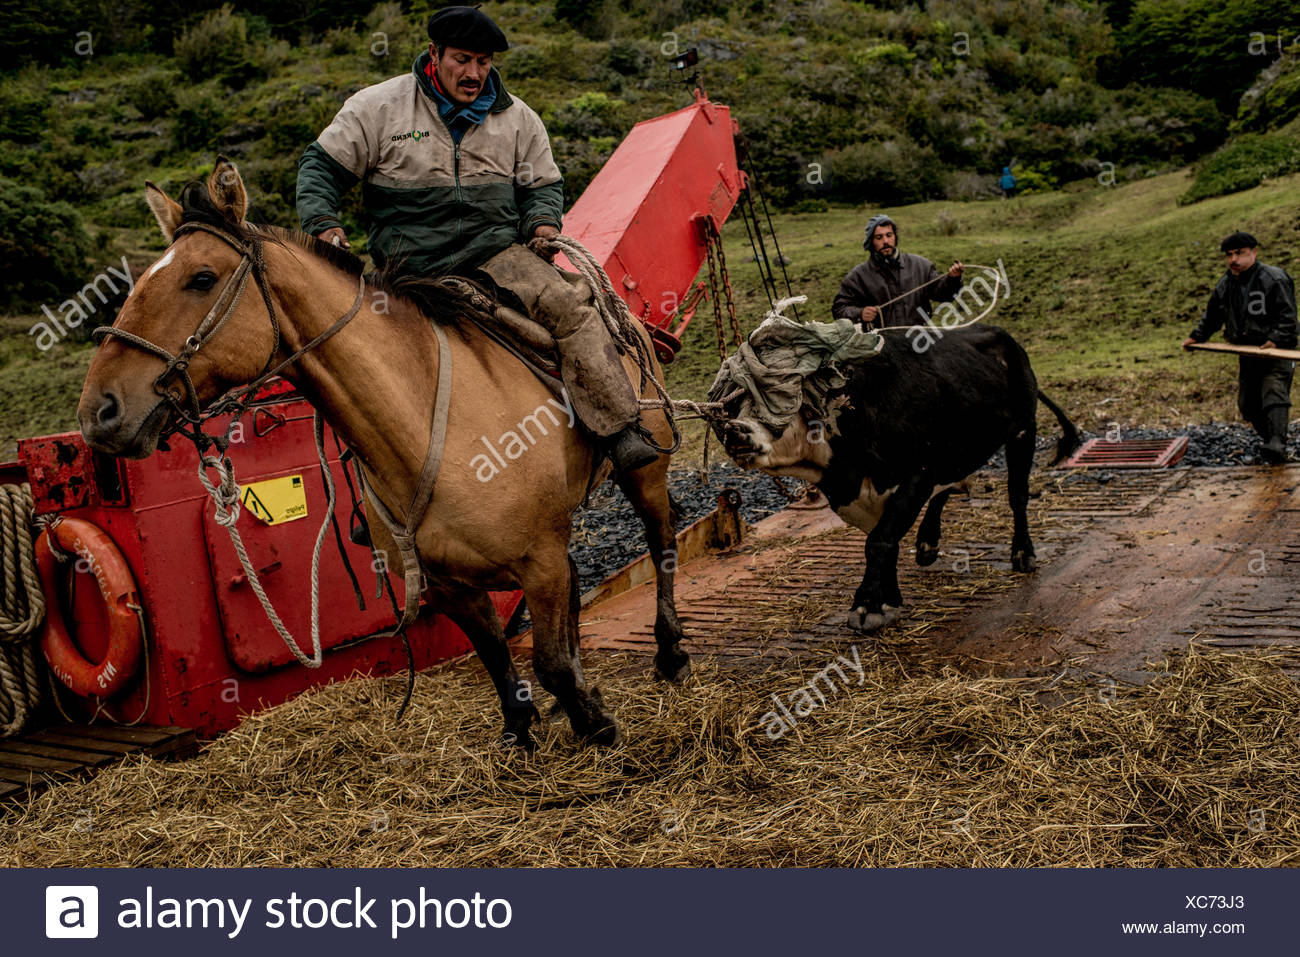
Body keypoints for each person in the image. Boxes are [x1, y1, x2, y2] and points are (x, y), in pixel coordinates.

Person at [295, 5, 656, 473]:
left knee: (570, 306)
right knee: (361, 354)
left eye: (483, 63)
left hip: (497, 254)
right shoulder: (377, 108)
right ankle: (379, 484)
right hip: (408, 267)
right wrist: (325, 224)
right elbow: (320, 167)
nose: (474, 74)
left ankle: (618, 429)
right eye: (462, 60)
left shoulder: (518, 118)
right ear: (434, 54)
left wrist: (542, 225)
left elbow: (542, 184)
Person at [1183, 231, 1298, 464]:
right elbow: (1213, 314)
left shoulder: (1273, 278)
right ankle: (1269, 439)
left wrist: (1275, 338)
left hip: (1276, 351)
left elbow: (1288, 316)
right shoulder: (1226, 284)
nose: (1233, 259)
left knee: (1274, 393)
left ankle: (1277, 444)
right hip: (1247, 352)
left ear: (1254, 252)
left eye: (1239, 253)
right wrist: (1197, 336)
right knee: (1248, 404)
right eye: (1229, 255)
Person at [831, 214, 964, 329]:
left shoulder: (921, 266)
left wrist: (953, 279)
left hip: (918, 340)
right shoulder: (858, 276)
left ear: (895, 237)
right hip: (881, 345)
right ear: (871, 242)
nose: (885, 241)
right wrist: (860, 313)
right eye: (879, 237)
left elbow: (943, 295)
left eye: (889, 235)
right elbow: (839, 309)